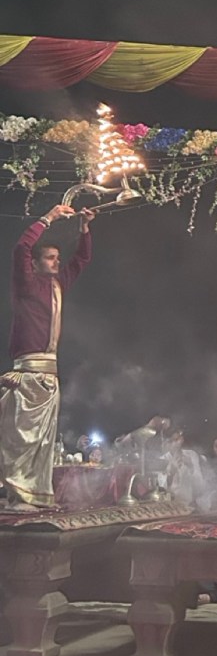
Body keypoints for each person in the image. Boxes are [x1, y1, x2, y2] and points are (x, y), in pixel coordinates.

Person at [0, 203, 93, 510]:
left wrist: (84, 228)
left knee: (42, 441)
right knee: (21, 440)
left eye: (57, 257)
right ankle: (17, 495)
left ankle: (36, 495)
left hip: (50, 375)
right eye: (50, 257)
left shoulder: (57, 284)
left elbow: (81, 260)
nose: (57, 261)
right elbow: (21, 248)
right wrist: (49, 218)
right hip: (27, 374)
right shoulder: (26, 283)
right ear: (36, 263)